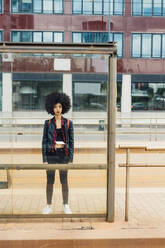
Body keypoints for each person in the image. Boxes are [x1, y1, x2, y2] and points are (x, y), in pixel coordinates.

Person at [42, 92, 74, 214]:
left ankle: (66, 204)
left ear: (63, 107)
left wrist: (70, 158)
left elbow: (71, 142)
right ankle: (48, 205)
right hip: (51, 155)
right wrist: (44, 158)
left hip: (64, 156)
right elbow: (44, 141)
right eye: (55, 107)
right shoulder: (48, 123)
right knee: (50, 181)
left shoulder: (69, 123)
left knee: (64, 181)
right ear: (51, 108)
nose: (57, 109)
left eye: (60, 106)